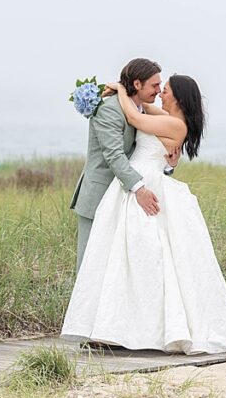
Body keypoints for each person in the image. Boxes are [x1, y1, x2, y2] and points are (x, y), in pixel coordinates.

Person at [62, 74, 226, 354]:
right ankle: (116, 327)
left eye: (167, 89)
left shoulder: (175, 123)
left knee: (145, 257)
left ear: (179, 97)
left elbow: (136, 120)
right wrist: (126, 94)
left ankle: (138, 330)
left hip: (144, 184)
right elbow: (142, 110)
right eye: (158, 87)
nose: (161, 92)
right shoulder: (164, 114)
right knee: (124, 259)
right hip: (135, 183)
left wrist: (122, 90)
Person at [68, 57, 168, 274]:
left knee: (117, 269)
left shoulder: (141, 110)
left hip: (124, 199)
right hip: (100, 195)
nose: (159, 91)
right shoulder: (109, 109)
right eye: (154, 85)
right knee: (90, 267)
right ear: (137, 84)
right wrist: (139, 190)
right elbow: (114, 155)